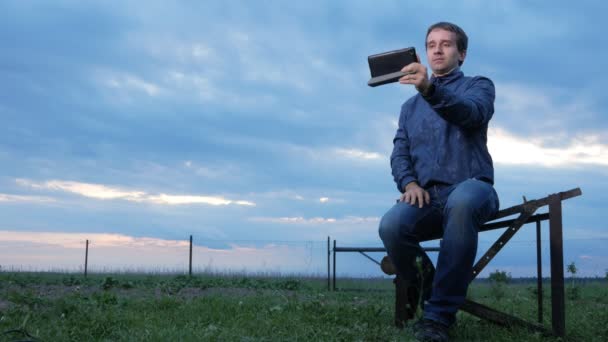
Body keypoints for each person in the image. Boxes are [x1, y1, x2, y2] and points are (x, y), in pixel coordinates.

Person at [378, 22, 500, 342]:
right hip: (428, 198)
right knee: (391, 225)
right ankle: (431, 296)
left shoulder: (479, 86)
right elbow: (399, 153)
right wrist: (409, 185)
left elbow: (472, 114)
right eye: (431, 44)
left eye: (446, 44)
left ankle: (437, 318)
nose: (437, 49)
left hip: (473, 187)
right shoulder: (409, 107)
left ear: (462, 54)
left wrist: (430, 90)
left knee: (462, 201)